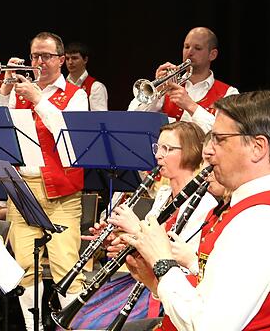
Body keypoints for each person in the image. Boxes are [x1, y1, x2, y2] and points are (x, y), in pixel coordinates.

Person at [123, 90, 270, 330]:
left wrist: (163, 263)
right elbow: (209, 293)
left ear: (258, 147)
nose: (207, 151)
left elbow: (208, 326)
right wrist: (156, 279)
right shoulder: (259, 207)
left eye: (219, 139)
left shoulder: (262, 222)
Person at [69, 122, 218, 330]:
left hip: (175, 290)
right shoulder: (164, 195)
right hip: (147, 281)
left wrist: (134, 230)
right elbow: (148, 244)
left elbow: (185, 261)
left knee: (94, 325)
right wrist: (119, 239)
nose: (158, 156)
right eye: (158, 148)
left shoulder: (206, 203)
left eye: (167, 149)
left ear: (192, 151)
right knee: (80, 320)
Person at [0, 31, 87, 330]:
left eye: (45, 56)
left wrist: (39, 99)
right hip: (21, 188)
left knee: (67, 267)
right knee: (26, 268)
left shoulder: (76, 94)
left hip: (61, 193)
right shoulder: (17, 92)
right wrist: (5, 90)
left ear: (60, 60)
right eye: (34, 56)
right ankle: (35, 328)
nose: (39, 61)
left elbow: (70, 136)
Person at [127, 27, 239, 133]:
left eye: (198, 48)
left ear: (212, 55)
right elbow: (131, 119)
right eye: (186, 47)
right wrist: (157, 90)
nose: (189, 52)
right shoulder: (169, 85)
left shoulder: (229, 93)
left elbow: (225, 133)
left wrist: (190, 106)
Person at [64, 42, 108, 111]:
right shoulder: (61, 85)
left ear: (85, 60)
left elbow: (99, 119)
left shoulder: (96, 87)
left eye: (74, 58)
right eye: (67, 58)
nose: (70, 62)